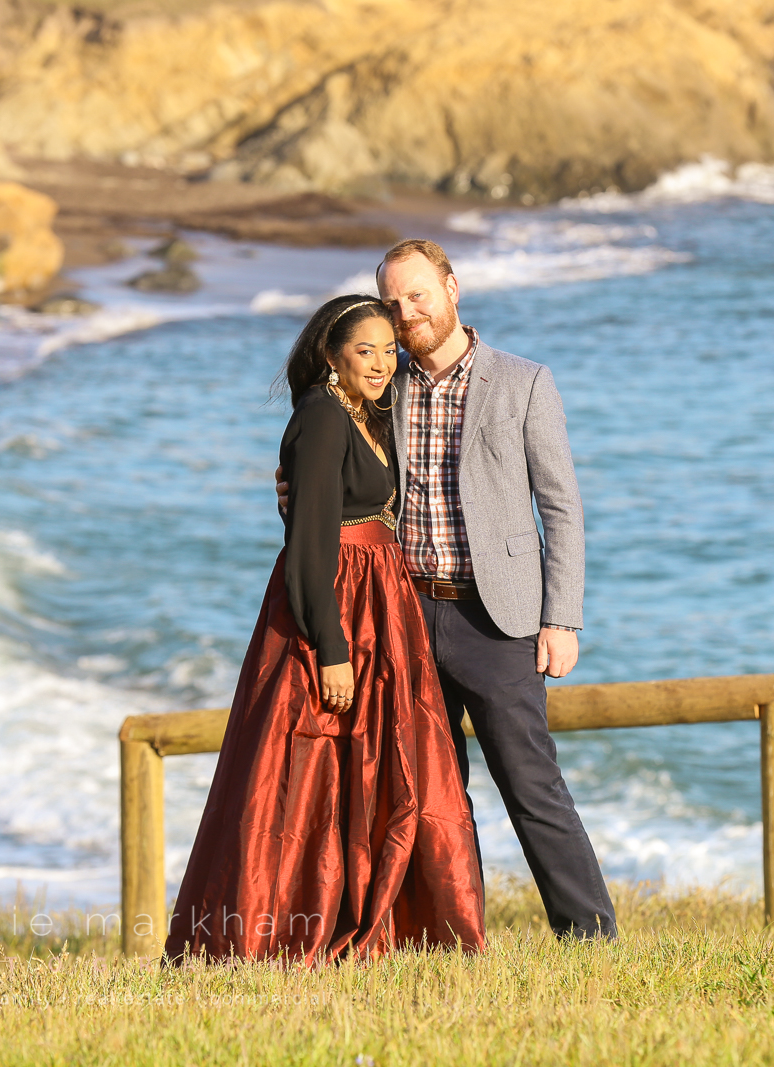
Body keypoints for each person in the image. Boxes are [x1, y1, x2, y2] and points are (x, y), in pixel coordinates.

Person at [279, 240, 617, 940]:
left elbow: (561, 506)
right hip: (402, 613)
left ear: (452, 287)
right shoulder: (384, 383)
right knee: (428, 790)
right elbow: (338, 479)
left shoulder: (523, 382)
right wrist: (288, 492)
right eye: (395, 302)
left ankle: (591, 936)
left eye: (419, 295)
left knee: (531, 786)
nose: (408, 314)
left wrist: (563, 618)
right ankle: (448, 934)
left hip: (498, 622)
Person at [165, 294, 486, 965]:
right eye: (363, 350)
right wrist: (332, 650)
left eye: (387, 350)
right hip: (335, 608)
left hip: (380, 601)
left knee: (377, 766)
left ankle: (389, 920)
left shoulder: (367, 413)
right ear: (331, 355)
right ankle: (276, 931)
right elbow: (308, 544)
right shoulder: (319, 413)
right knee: (308, 771)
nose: (379, 362)